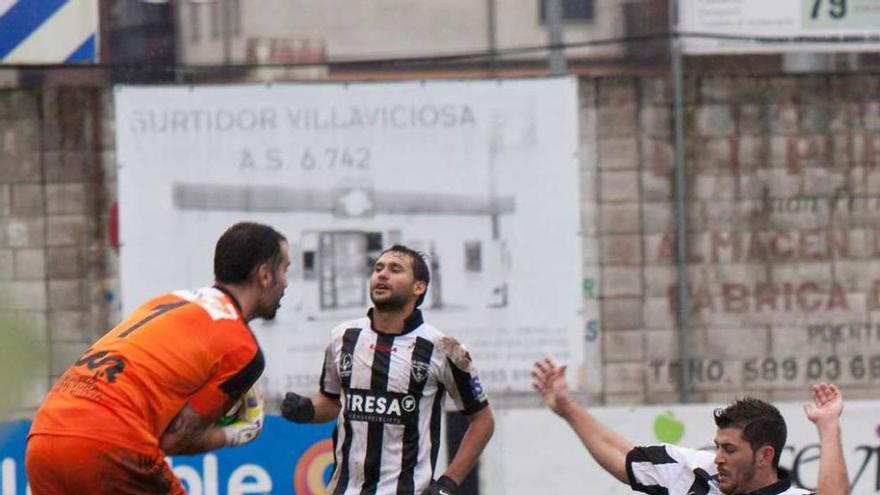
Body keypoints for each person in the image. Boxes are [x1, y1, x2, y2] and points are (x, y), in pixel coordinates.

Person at [25, 222, 290, 494]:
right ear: (265, 275)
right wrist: (238, 432)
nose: (286, 283)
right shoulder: (243, 349)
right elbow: (176, 440)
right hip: (110, 440)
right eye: (285, 270)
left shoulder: (169, 301)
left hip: (46, 434)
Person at [281, 244, 494, 495]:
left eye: (395, 269)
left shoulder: (444, 348)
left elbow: (483, 421)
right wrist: (306, 410)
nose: (382, 275)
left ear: (419, 287)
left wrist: (448, 483)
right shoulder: (343, 337)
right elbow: (331, 402)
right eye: (378, 268)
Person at [531, 357, 849, 495]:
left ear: (764, 456)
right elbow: (623, 457)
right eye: (718, 446)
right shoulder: (696, 474)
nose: (718, 457)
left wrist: (828, 425)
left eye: (730, 449)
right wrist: (568, 408)